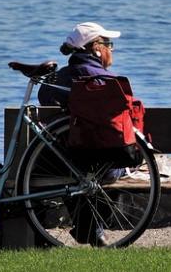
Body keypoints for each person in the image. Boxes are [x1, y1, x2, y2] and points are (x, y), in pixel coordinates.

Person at [39, 21, 121, 247]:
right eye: (108, 44)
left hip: (61, 161)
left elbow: (44, 101)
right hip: (100, 163)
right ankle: (91, 230)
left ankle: (89, 230)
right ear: (96, 47)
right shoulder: (109, 82)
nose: (111, 49)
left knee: (73, 164)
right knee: (116, 166)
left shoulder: (55, 80)